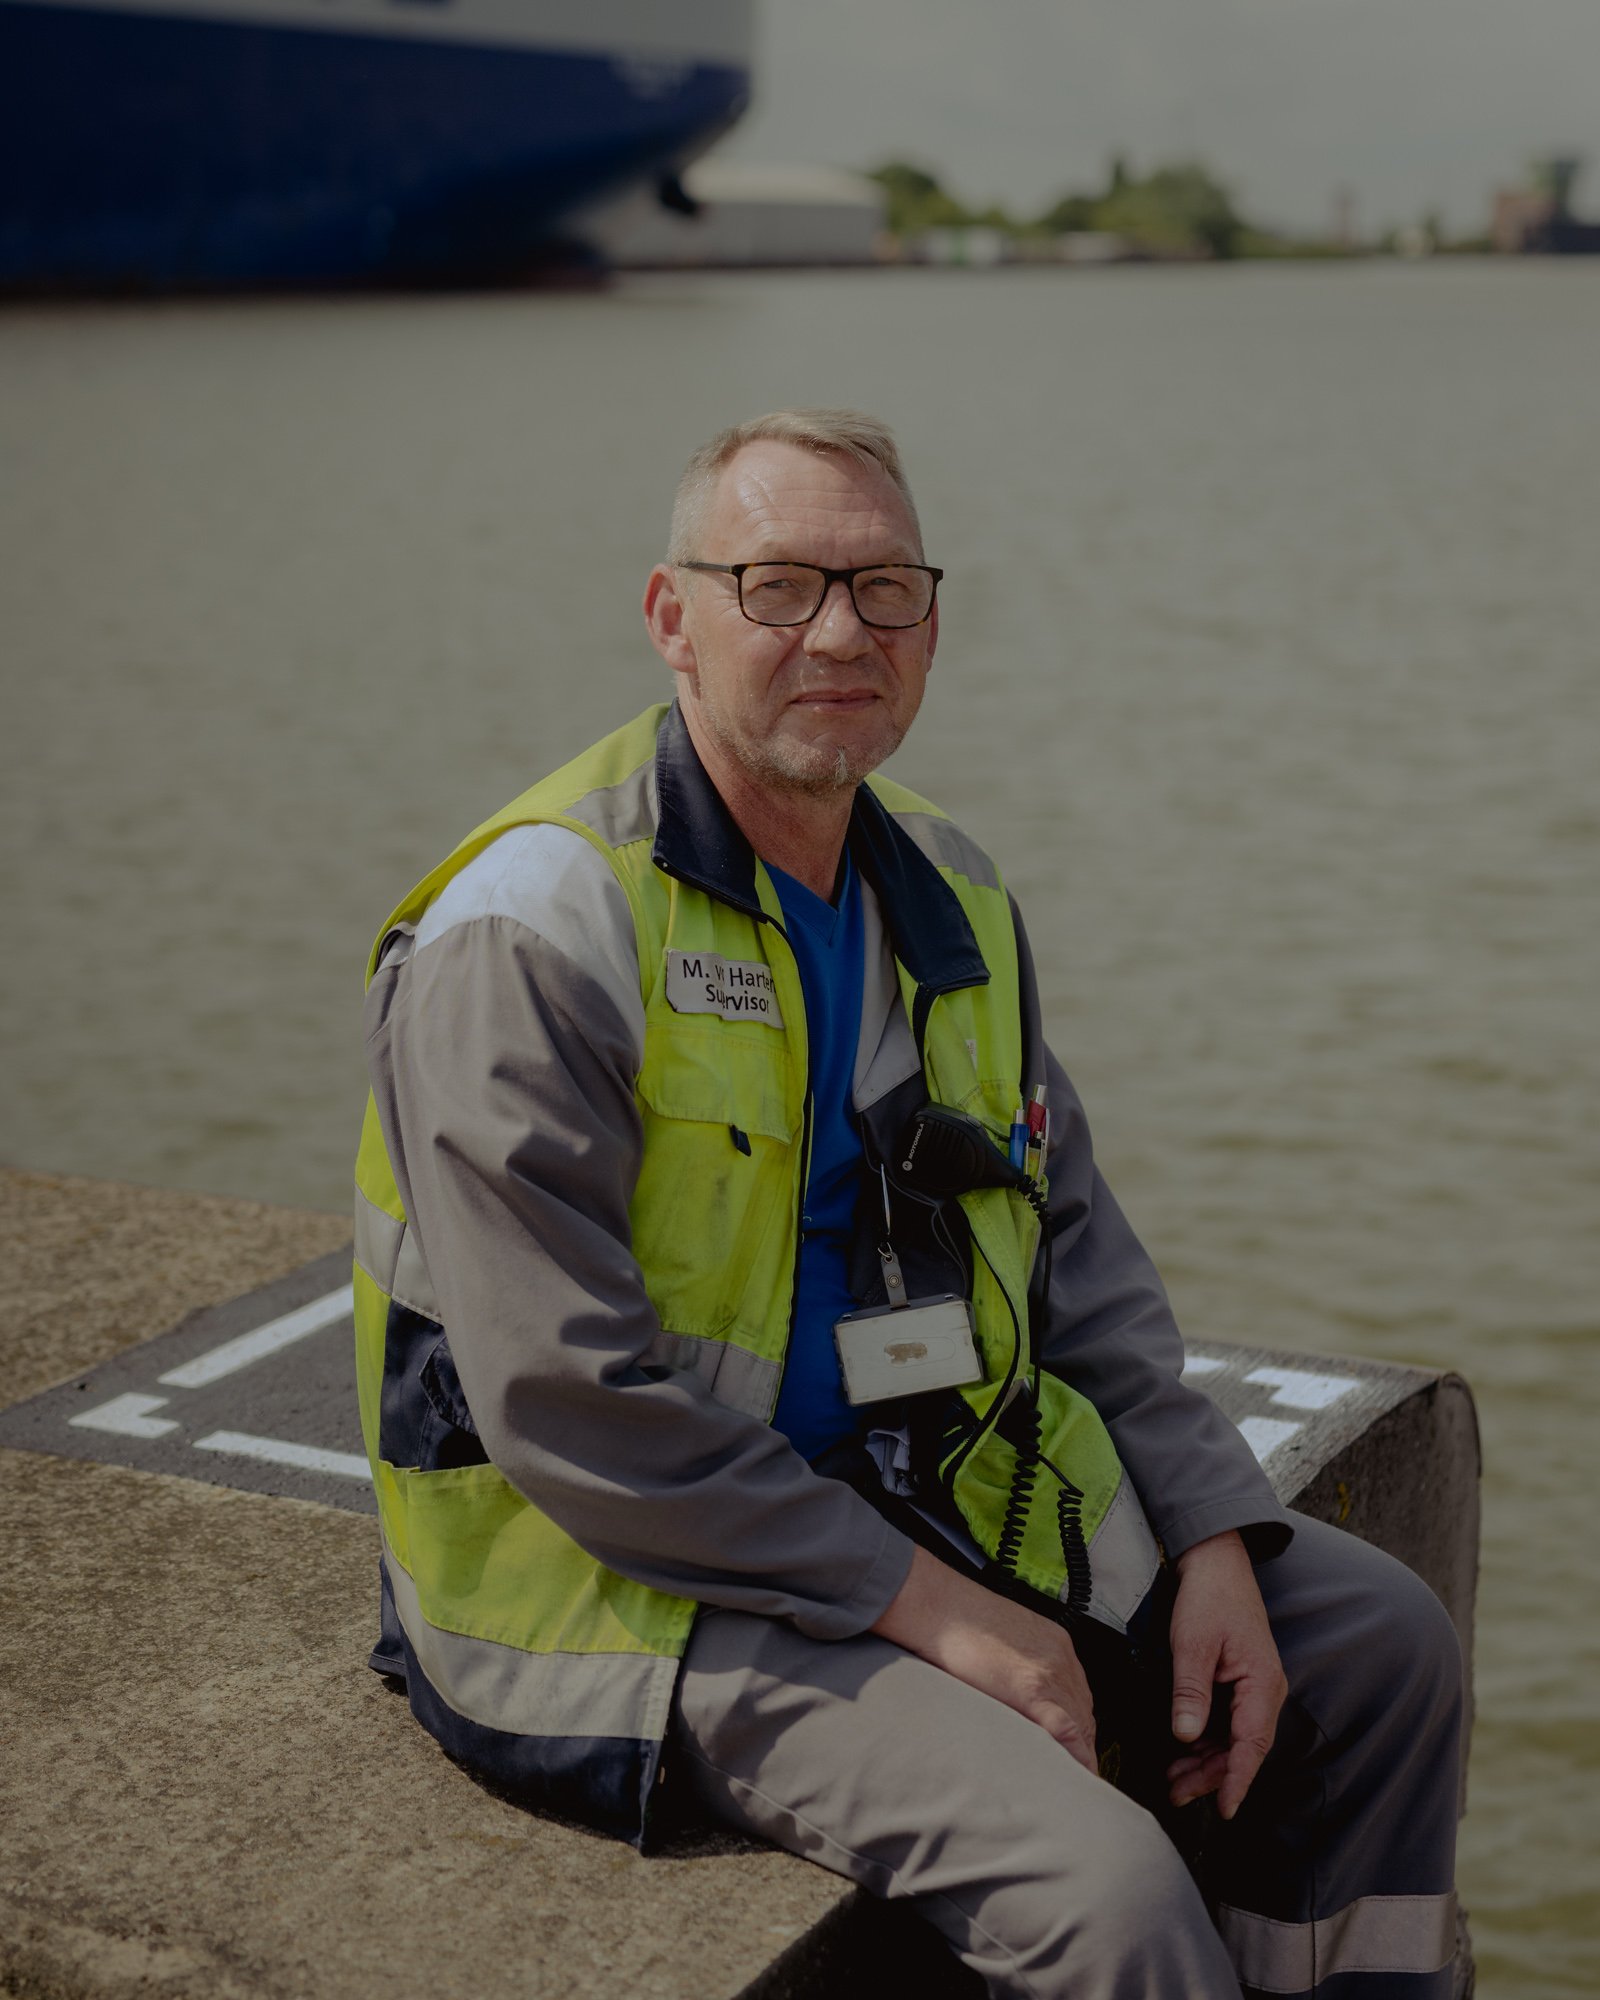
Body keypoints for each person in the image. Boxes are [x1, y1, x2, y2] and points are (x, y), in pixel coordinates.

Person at [353, 410, 1464, 1998]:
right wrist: (928, 1608)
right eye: (780, 584)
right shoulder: (538, 931)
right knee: (1106, 1893)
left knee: (1381, 1651)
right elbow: (564, 1404)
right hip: (630, 1573)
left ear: (931, 625)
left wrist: (1211, 1522)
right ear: (674, 618)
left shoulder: (947, 890)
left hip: (920, 1481)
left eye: (884, 591)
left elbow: (1074, 1251)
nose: (838, 635)